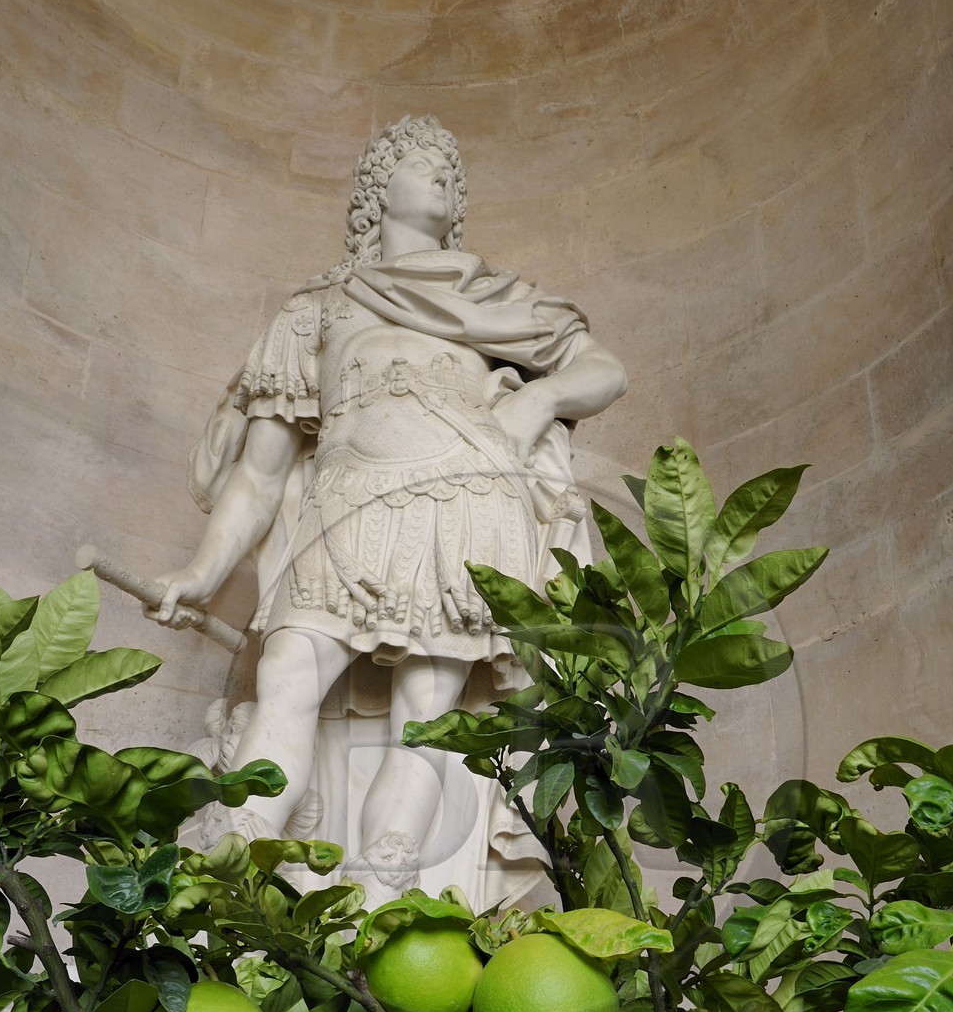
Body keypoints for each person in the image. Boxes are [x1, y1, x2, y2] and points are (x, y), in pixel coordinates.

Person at [155, 115, 627, 906]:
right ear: (378, 188)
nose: (441, 174)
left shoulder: (492, 296)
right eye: (419, 161)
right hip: (345, 507)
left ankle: (384, 893)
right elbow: (260, 474)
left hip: (464, 503)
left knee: (428, 717)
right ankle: (230, 880)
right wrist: (202, 572)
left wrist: (538, 399)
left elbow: (604, 370)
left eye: (451, 168)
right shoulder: (316, 309)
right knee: (286, 675)